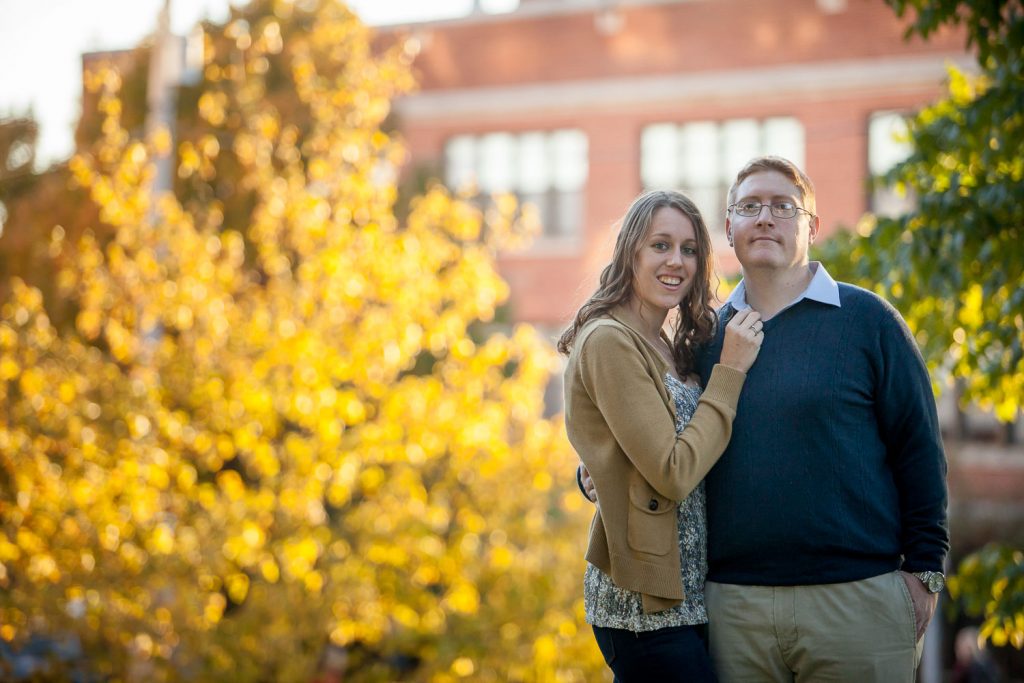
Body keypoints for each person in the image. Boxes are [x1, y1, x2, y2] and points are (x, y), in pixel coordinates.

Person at [585, 156, 949, 681]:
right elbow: (664, 434)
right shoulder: (702, 338)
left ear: (812, 227)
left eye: (783, 206)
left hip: (857, 603)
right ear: (728, 228)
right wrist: (597, 469)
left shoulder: (869, 321)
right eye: (749, 206)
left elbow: (920, 451)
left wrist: (925, 576)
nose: (765, 218)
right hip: (733, 610)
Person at [558, 189, 764, 682]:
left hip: (689, 599)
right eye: (661, 245)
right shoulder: (610, 340)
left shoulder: (664, 344)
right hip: (643, 612)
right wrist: (730, 372)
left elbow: (630, 449)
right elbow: (672, 473)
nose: (677, 261)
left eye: (689, 249)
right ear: (631, 251)